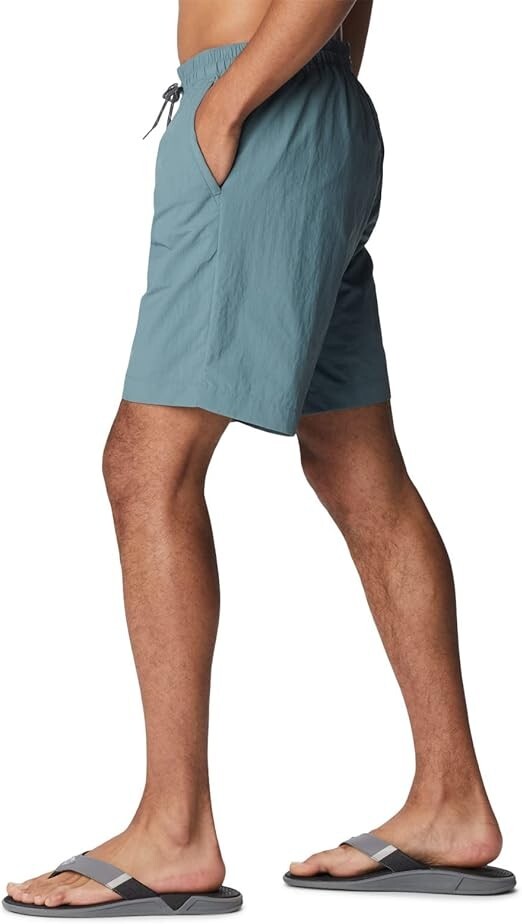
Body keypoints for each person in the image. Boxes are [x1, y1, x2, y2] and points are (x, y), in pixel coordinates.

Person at [3, 0, 515, 915]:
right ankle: (450, 799)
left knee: (147, 465)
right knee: (355, 465)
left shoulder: (241, 104)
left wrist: (230, 102)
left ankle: (174, 830)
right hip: (302, 102)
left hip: (262, 106)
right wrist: (304, 93)